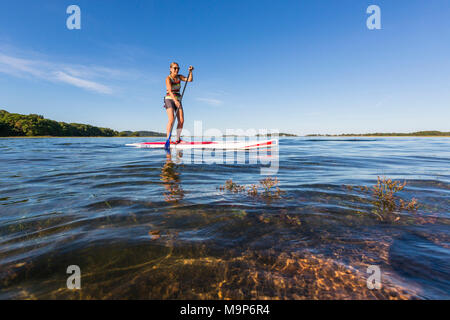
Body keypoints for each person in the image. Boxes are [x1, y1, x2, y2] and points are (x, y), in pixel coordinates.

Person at [164, 62, 194, 143]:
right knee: (171, 119)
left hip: (178, 99)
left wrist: (190, 72)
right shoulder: (168, 78)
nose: (176, 70)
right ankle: (168, 139)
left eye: (178, 68)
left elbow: (190, 80)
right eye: (175, 68)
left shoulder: (179, 77)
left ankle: (178, 139)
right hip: (169, 99)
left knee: (181, 120)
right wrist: (175, 100)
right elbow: (170, 91)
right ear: (170, 69)